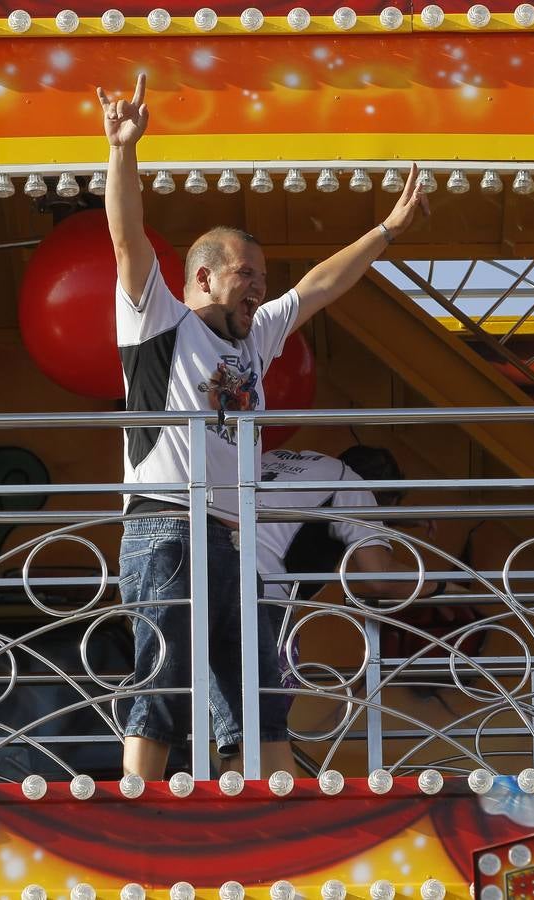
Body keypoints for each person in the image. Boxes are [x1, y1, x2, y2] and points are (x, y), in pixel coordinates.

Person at [98, 74, 430, 780]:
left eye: (260, 277)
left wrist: (388, 231)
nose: (258, 286)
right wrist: (122, 151)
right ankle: (137, 817)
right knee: (163, 686)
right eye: (245, 274)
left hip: (229, 535)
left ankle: (269, 814)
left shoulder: (253, 340)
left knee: (259, 694)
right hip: (166, 524)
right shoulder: (159, 323)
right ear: (201, 279)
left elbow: (319, 285)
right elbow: (128, 242)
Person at [257, 445, 447, 765]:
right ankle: (256, 799)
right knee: (260, 723)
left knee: (197, 707)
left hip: (196, 580)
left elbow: (304, 512)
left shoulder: (276, 457)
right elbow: (380, 577)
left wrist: (399, 518)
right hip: (261, 600)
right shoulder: (351, 484)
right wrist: (445, 585)